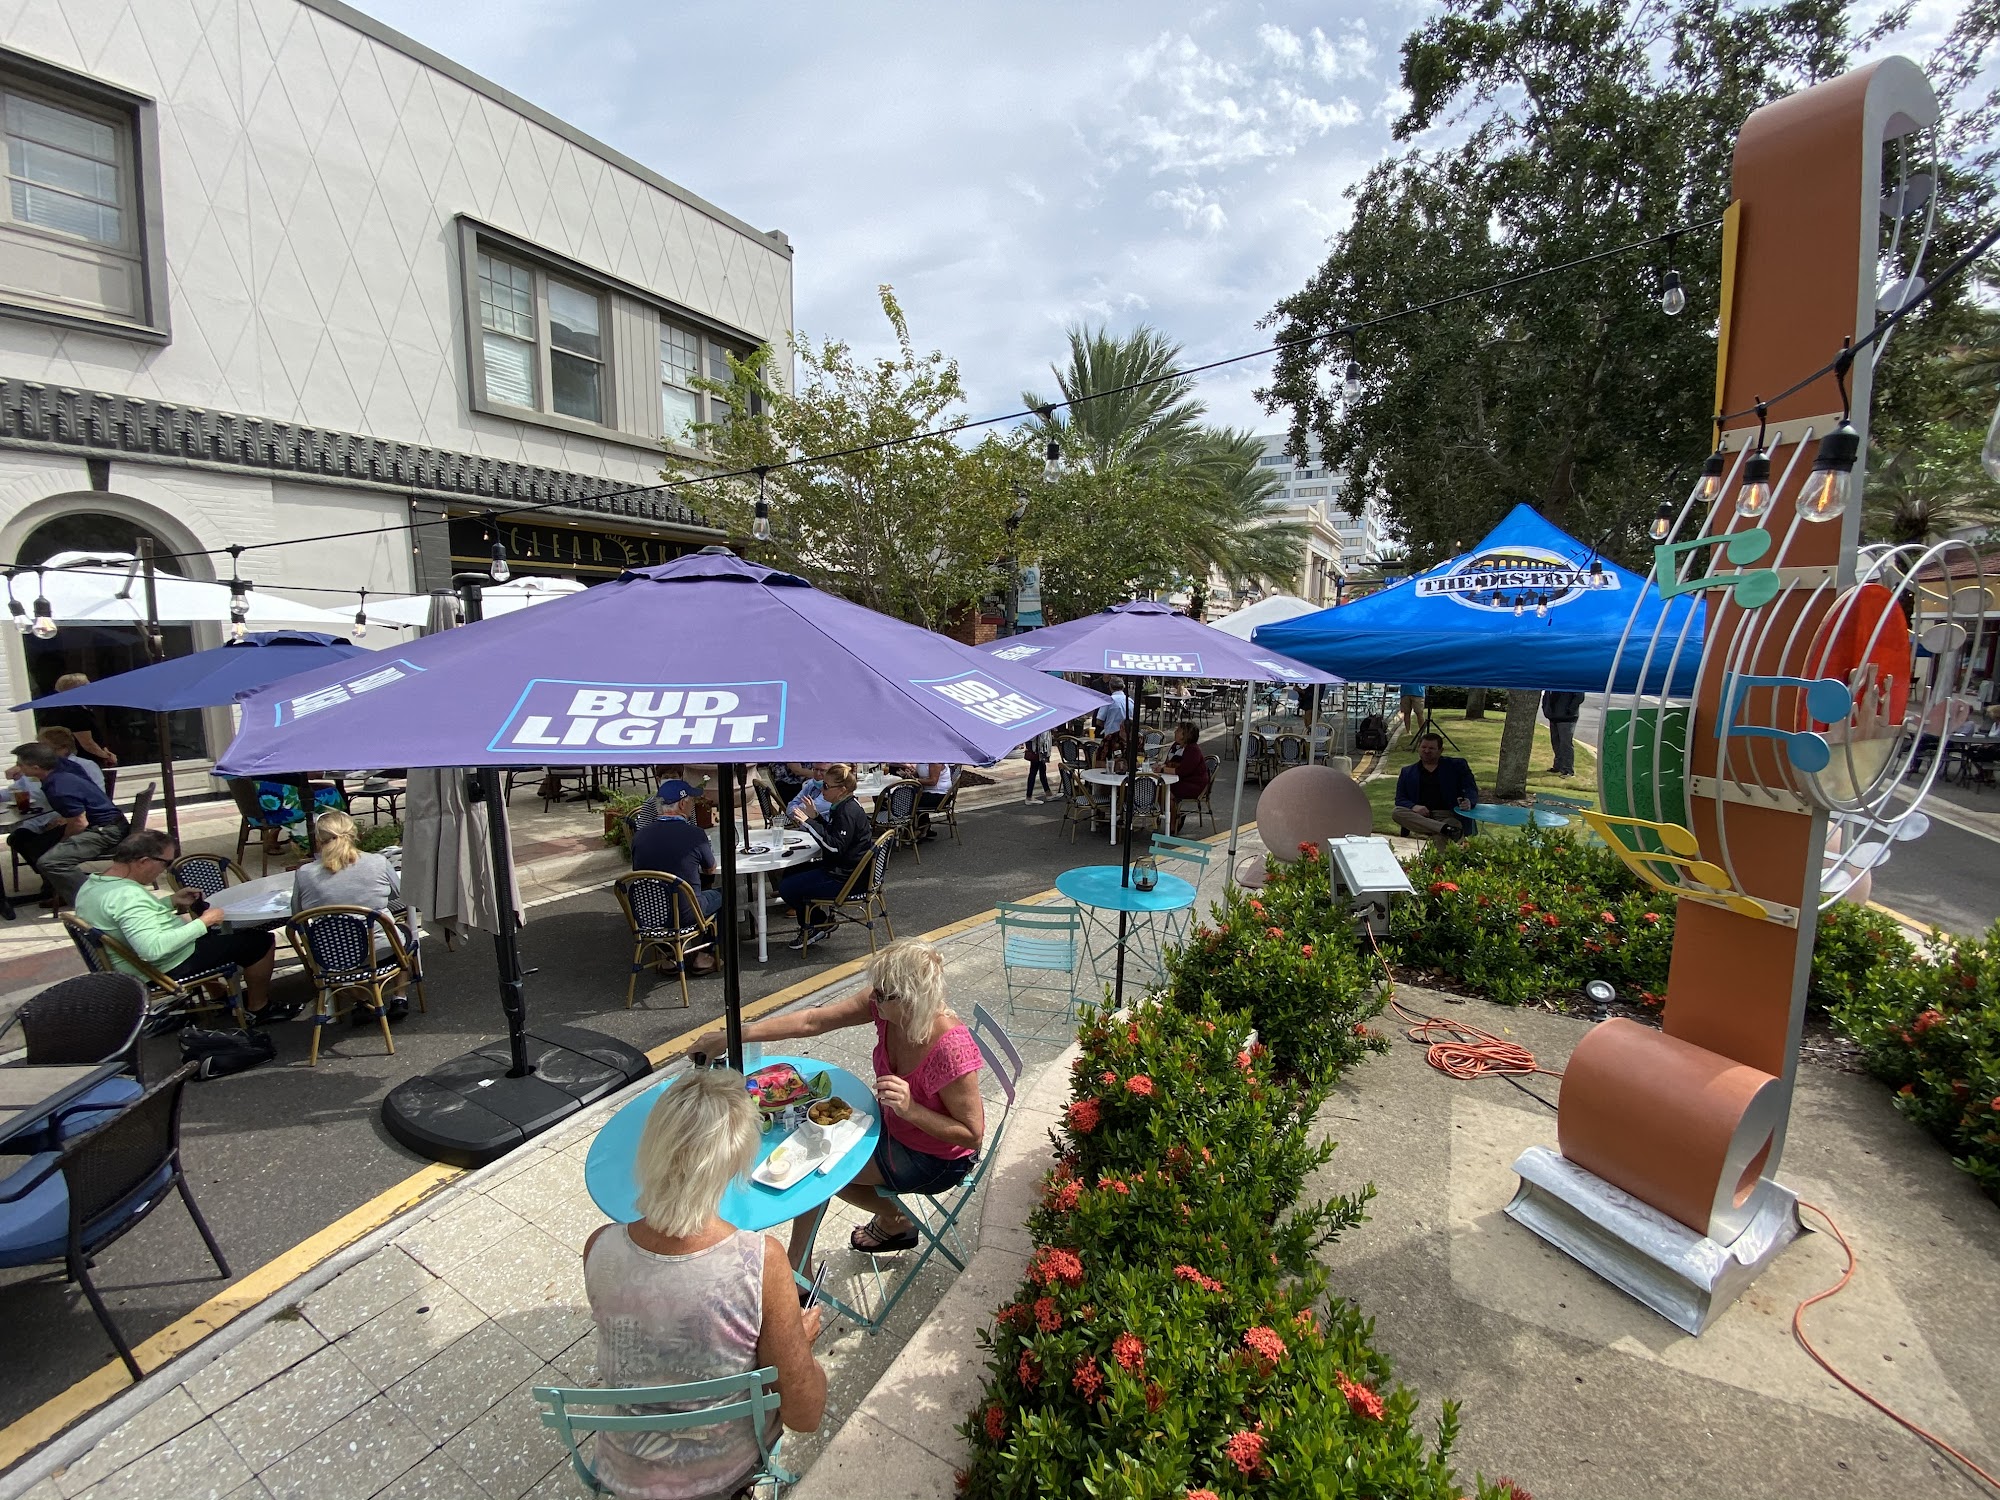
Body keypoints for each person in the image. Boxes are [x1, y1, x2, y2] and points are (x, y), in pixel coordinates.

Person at [583, 1068, 826, 1500]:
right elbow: (805, 1413)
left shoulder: (598, 1247)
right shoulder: (759, 1261)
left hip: (621, 1470)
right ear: (734, 1160)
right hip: (722, 1475)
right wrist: (795, 1345)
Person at [689, 939, 983, 1271]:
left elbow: (972, 1134)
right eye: (876, 989)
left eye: (884, 994)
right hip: (894, 1128)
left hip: (936, 1159)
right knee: (814, 1144)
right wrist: (736, 1035)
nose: (875, 998)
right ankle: (893, 1218)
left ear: (912, 1000)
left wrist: (910, 1108)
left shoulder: (949, 1047)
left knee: (818, 1172)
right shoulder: (886, 1007)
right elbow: (813, 1022)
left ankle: (801, 1267)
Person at [74, 828, 277, 1015]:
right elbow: (152, 949)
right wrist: (204, 922)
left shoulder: (93, 884)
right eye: (165, 863)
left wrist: (170, 901)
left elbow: (127, 918)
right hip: (159, 968)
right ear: (143, 861)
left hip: (131, 964)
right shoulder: (127, 895)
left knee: (211, 938)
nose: (164, 870)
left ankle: (220, 996)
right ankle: (259, 1008)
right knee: (259, 942)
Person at [291, 809, 412, 1021]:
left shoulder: (305, 874)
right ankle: (399, 996)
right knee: (400, 931)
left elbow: (297, 914)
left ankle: (362, 1001)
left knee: (342, 949)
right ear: (355, 834)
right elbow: (399, 895)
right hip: (382, 949)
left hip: (334, 957)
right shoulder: (377, 863)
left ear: (319, 840)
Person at [12, 742, 127, 908]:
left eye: (20, 765)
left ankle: (93, 904)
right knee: (28, 841)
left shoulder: (58, 787)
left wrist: (61, 843)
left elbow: (79, 823)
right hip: (103, 823)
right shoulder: (62, 765)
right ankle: (61, 889)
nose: (19, 769)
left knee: (51, 861)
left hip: (106, 830)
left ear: (36, 767)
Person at [631, 778, 721, 976]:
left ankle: (669, 958)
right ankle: (701, 956)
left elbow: (639, 873)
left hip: (649, 915)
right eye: (690, 800)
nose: (692, 805)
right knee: (723, 895)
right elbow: (711, 869)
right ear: (682, 804)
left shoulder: (639, 836)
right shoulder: (695, 834)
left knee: (675, 901)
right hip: (685, 912)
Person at [778, 763, 873, 951]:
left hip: (847, 879)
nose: (822, 789)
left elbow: (834, 847)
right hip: (846, 869)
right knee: (791, 871)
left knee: (787, 887)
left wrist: (809, 822)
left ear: (842, 790)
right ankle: (818, 921)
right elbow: (834, 835)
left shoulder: (847, 812)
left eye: (827, 786)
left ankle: (815, 925)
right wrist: (817, 818)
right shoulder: (844, 805)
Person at [1392, 732, 1479, 841]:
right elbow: (1400, 799)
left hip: (1449, 815)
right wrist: (1414, 807)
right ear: (1419, 748)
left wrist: (1469, 801)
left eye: (1431, 748)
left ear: (1440, 750)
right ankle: (1444, 829)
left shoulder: (1456, 766)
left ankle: (1444, 829)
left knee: (1442, 835)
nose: (1427, 751)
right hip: (1421, 816)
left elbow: (1470, 788)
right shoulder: (1408, 772)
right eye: (1423, 747)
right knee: (1397, 812)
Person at [39, 675, 118, 796]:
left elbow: (95, 736)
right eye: (87, 686)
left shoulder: (76, 709)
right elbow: (87, 743)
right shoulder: (73, 712)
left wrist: (105, 751)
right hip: (82, 761)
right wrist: (106, 756)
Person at [1160, 721, 1210, 834]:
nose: (1175, 732)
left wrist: (1163, 770)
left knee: (1168, 792)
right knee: (1160, 788)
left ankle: (1173, 823)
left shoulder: (1193, 750)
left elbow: (1182, 771)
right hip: (1178, 779)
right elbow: (1168, 762)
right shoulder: (1175, 746)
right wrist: (1161, 766)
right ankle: (1170, 817)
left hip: (1193, 783)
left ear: (1185, 735)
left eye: (1178, 731)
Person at [1542, 691, 1586, 778]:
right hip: (1553, 716)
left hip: (1567, 718)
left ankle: (1568, 770)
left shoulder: (1571, 681)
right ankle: (1558, 766)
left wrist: (1569, 709)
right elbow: (1546, 696)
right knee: (1555, 742)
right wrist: (1546, 709)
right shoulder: (1552, 682)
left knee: (1565, 744)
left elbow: (1579, 696)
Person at [1021, 730, 1053, 802]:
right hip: (1036, 750)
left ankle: (1048, 793)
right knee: (1034, 771)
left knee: (1041, 770)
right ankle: (1029, 797)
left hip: (1038, 750)